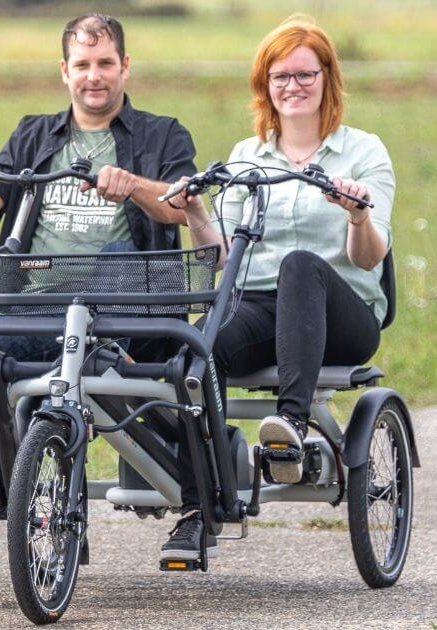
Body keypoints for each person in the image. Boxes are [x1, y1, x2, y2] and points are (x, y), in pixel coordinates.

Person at [0, 13, 196, 569]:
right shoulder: (33, 135)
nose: (93, 76)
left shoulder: (161, 134)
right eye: (82, 65)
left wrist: (134, 185)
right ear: (64, 72)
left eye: (104, 64)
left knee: (118, 257)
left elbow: (179, 205)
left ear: (125, 66)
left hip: (127, 311)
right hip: (38, 304)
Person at [162, 15, 395, 562]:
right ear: (265, 86)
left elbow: (370, 256)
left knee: (299, 265)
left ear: (327, 79)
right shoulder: (247, 157)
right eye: (280, 77)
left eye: (304, 75)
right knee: (196, 351)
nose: (292, 86)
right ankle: (201, 509)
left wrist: (357, 217)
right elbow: (222, 257)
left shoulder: (362, 153)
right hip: (262, 309)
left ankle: (289, 426)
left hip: (342, 314)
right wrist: (195, 210)